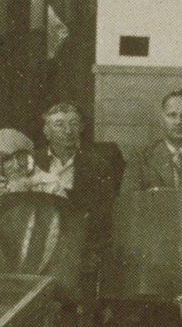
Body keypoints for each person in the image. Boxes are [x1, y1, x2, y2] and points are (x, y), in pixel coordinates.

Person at [31, 102, 118, 241]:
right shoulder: (32, 162)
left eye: (74, 124)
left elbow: (104, 215)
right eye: (59, 124)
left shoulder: (98, 166)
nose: (68, 131)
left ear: (81, 128)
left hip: (81, 239)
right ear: (46, 131)